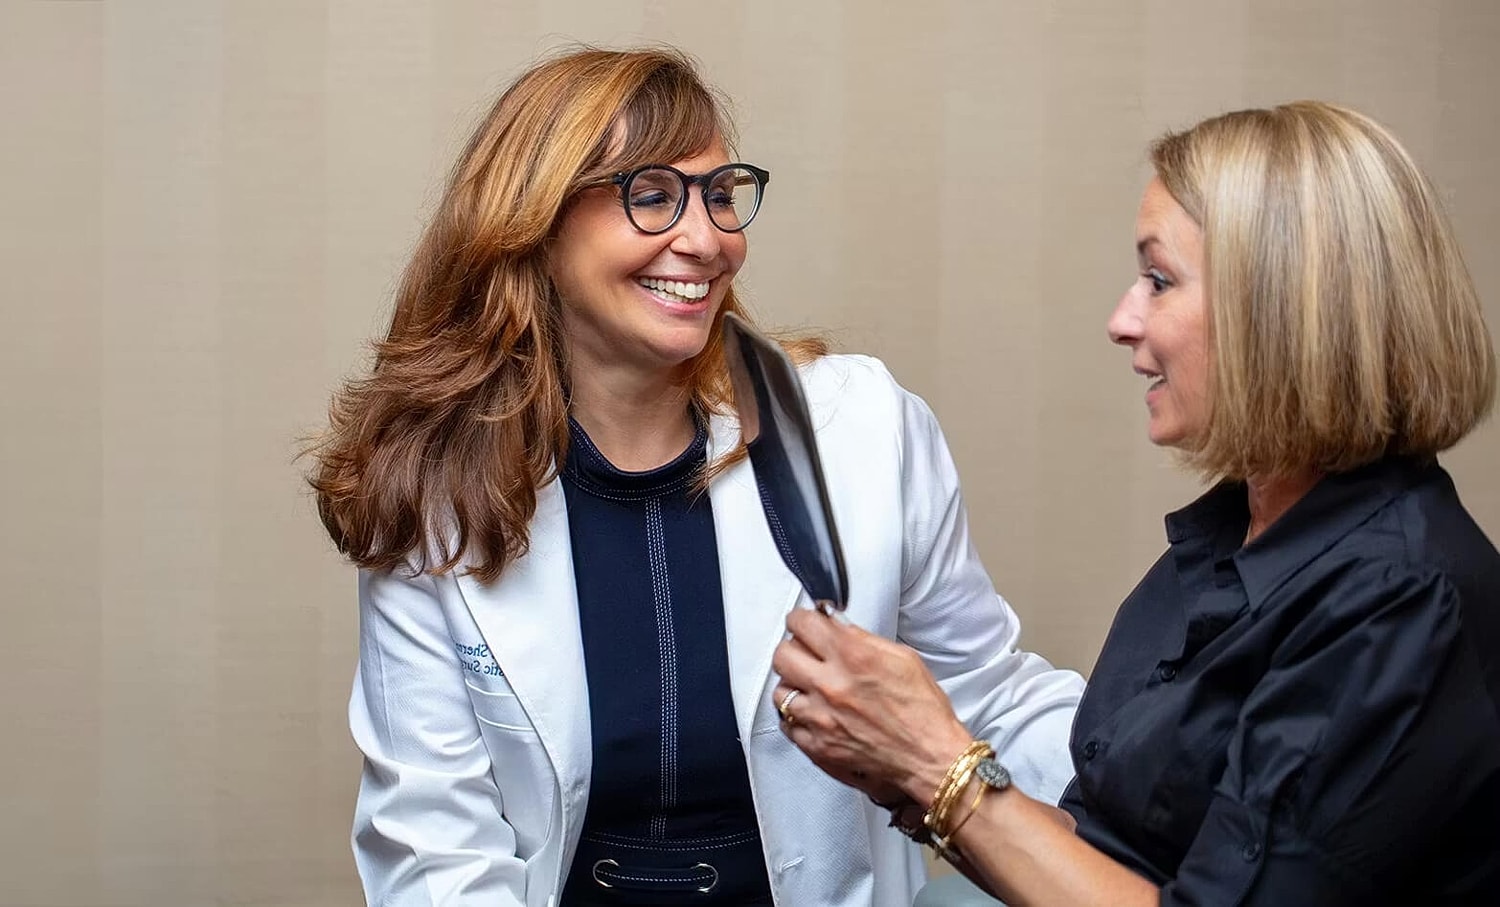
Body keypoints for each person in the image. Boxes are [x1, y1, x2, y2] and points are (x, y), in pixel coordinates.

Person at [307, 46, 1083, 907]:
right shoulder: (439, 490)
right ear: (533, 226)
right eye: (650, 196)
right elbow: (436, 854)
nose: (707, 239)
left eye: (719, 194)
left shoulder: (861, 429)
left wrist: (1190, 771)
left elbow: (988, 701)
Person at [772, 100, 1500, 906]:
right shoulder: (1240, 532)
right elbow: (1109, 849)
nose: (1122, 321)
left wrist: (939, 764)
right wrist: (901, 773)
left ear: (1284, 312)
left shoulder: (1395, 600)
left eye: (1159, 280)